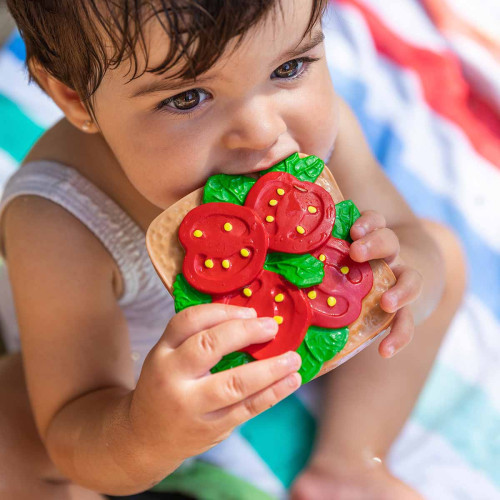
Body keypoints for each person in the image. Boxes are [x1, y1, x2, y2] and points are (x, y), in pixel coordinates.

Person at [0, 0, 466, 499]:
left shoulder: (309, 135)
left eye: (289, 67)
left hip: (301, 328)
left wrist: (403, 275)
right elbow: (73, 416)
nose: (265, 133)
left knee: (440, 254)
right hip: (130, 397)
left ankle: (349, 461)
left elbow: (401, 231)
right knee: (10, 434)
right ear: (75, 96)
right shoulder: (61, 218)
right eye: (188, 97)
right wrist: (149, 433)